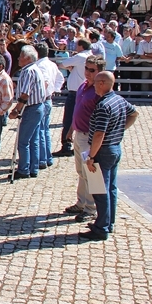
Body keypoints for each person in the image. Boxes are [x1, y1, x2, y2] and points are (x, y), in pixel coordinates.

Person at [79, 72, 138, 241]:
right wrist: (119, 130)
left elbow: (99, 134)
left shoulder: (103, 105)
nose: (94, 85)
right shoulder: (119, 100)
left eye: (96, 82)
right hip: (114, 148)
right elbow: (134, 114)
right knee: (111, 187)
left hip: (103, 151)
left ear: (103, 83)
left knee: (100, 189)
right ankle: (108, 222)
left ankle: (101, 227)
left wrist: (91, 156)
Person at [63, 54, 106, 223]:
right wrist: (70, 130)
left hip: (90, 136)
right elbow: (79, 110)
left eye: (92, 70)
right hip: (79, 134)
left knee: (92, 173)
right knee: (81, 172)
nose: (87, 72)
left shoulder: (99, 90)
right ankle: (82, 202)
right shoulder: (83, 86)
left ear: (100, 71)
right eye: (86, 68)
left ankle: (91, 208)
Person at [9, 45, 47, 179]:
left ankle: (24, 170)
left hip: (31, 108)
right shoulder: (34, 69)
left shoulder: (28, 71)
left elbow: (25, 94)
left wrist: (16, 110)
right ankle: (33, 168)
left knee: (23, 141)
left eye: (20, 56)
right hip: (38, 107)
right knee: (33, 140)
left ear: (27, 58)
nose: (18, 58)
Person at [55, 39, 92, 157]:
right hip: (82, 90)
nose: (75, 47)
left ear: (81, 46)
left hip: (75, 92)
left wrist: (67, 65)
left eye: (77, 45)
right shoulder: (89, 55)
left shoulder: (80, 56)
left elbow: (63, 63)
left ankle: (66, 145)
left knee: (68, 119)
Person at [35, 42, 65, 171]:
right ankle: (47, 157)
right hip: (48, 99)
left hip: (42, 100)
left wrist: (42, 93)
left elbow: (46, 82)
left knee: (41, 130)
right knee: (45, 130)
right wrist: (55, 89)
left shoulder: (39, 66)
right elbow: (60, 78)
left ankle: (42, 159)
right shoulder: (51, 64)